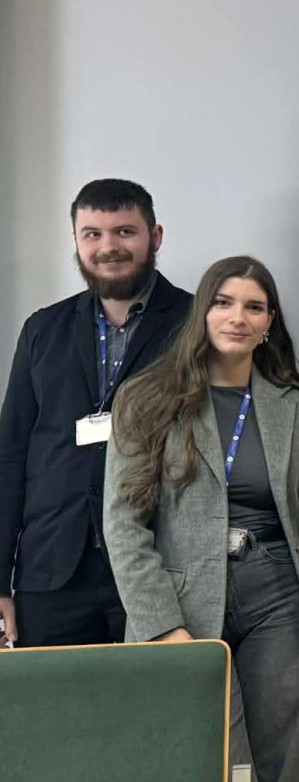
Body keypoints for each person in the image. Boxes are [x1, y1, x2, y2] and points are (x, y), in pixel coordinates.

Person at [103, 256, 299, 782]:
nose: (237, 317)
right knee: (199, 757)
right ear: (202, 311)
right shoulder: (145, 399)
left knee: (285, 758)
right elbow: (123, 524)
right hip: (183, 597)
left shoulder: (297, 404)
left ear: (269, 324)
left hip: (283, 595)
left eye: (254, 307)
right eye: (223, 303)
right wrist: (161, 625)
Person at [0, 178, 192, 647]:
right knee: (54, 697)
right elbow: (10, 456)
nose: (108, 247)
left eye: (125, 231)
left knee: (158, 697)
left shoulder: (194, 324)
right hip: (51, 572)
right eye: (93, 234)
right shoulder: (42, 329)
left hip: (159, 568)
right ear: (76, 241)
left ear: (155, 237)